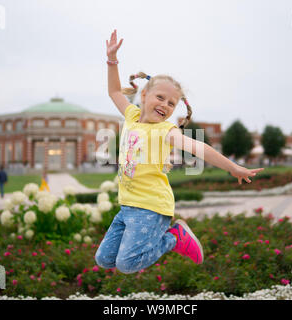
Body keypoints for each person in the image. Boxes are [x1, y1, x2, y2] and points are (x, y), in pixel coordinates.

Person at [95, 30, 264, 274]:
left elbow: (200, 148)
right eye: (160, 97)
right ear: (144, 96)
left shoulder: (166, 131)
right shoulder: (132, 116)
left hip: (151, 207)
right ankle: (169, 237)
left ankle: (175, 236)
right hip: (127, 205)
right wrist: (112, 60)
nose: (164, 105)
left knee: (126, 264)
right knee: (104, 259)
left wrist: (233, 167)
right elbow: (114, 92)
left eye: (171, 103)